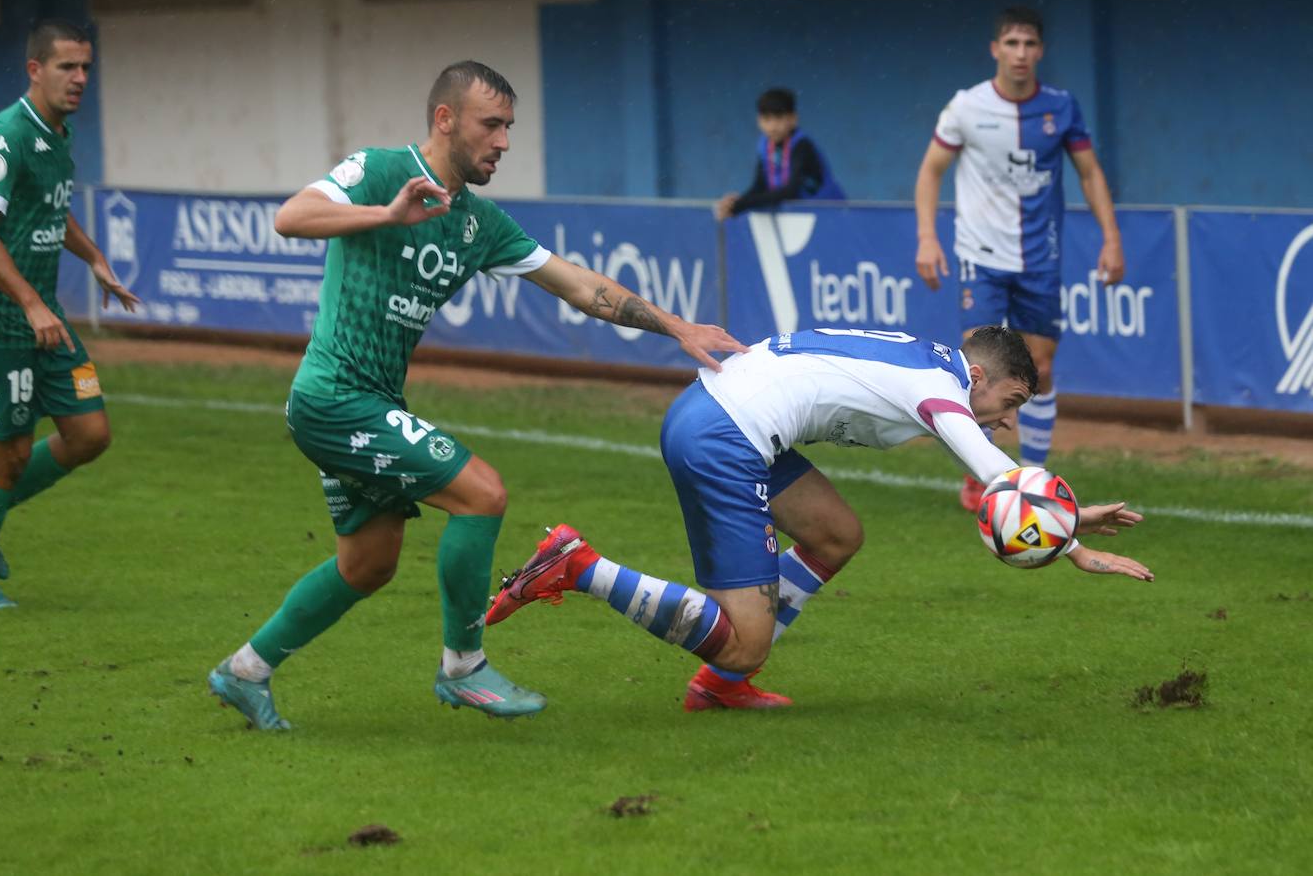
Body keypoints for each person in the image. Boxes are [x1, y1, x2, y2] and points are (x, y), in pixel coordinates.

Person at [206, 60, 745, 730]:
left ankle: (245, 670)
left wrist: (673, 325)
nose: (504, 142)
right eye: (492, 125)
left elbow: (577, 284)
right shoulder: (379, 171)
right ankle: (463, 666)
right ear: (445, 119)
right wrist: (387, 213)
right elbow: (292, 216)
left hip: (373, 403)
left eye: (510, 127)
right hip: (334, 396)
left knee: (367, 563)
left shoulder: (478, 224)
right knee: (482, 493)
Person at [485, 326, 1151, 710]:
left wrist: (1067, 525)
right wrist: (1073, 542)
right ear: (978, 375)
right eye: (1007, 402)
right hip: (725, 434)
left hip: (722, 413)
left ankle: (721, 685)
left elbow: (988, 462)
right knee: (746, 636)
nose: (1005, 420)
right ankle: (578, 565)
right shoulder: (938, 387)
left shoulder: (933, 363)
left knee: (837, 533)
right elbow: (993, 471)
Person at [0, 20, 140, 610]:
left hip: (42, 320)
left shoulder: (57, 133)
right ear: (35, 70)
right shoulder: (5, 137)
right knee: (8, 454)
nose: (80, 79)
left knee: (89, 433)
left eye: (85, 68)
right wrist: (29, 302)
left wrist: (95, 257)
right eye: (66, 67)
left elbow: (51, 210)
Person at [912, 6, 1125, 511]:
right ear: (995, 49)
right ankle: (978, 466)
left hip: (1040, 258)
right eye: (1011, 43)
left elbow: (1090, 174)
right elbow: (930, 171)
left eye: (1029, 44)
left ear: (1041, 51)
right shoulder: (967, 106)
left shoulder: (1062, 107)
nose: (1021, 53)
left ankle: (1033, 472)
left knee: (1041, 368)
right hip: (979, 257)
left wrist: (1111, 238)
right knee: (976, 370)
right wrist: (927, 237)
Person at [713, 87, 844, 222]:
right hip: (804, 216)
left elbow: (790, 192)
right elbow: (759, 186)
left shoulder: (802, 145)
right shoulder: (764, 145)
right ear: (758, 121)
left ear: (793, 119)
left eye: (779, 118)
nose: (773, 126)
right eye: (767, 119)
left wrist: (741, 205)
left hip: (831, 213)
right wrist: (734, 203)